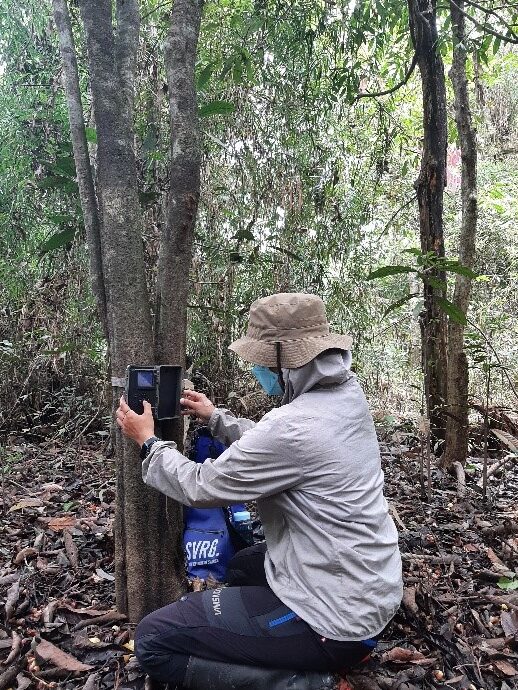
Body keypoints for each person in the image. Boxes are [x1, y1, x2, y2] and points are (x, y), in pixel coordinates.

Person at [116, 293, 403, 690]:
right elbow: (283, 448)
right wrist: (217, 418)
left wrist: (149, 444)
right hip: (369, 590)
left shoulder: (292, 426)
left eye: (262, 362)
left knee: (153, 641)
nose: (257, 368)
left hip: (335, 619)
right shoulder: (345, 397)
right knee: (243, 565)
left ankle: (307, 681)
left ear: (286, 361)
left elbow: (202, 485)